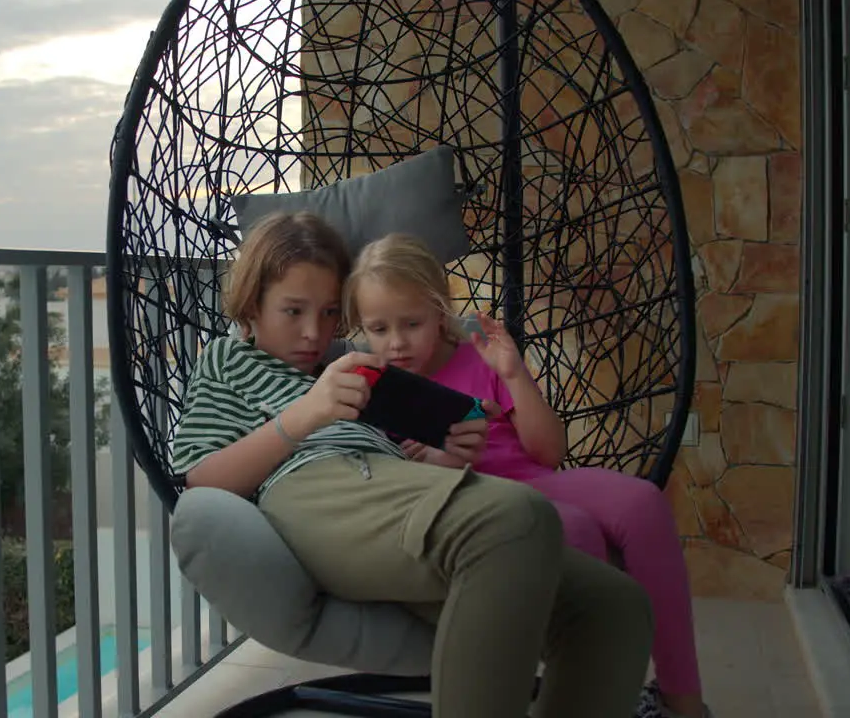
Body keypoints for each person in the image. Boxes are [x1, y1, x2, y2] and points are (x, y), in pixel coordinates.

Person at [171, 211, 653, 718]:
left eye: (331, 313)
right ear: (252, 303)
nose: (315, 332)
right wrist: (305, 416)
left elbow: (396, 480)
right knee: (517, 516)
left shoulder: (346, 377)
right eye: (293, 311)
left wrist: (448, 457)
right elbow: (201, 478)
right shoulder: (229, 360)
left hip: (389, 491)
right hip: (311, 488)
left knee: (615, 609)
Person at [344, 233, 711, 718]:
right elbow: (384, 484)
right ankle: (593, 692)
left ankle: (680, 702)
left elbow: (549, 453)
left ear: (440, 311)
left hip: (528, 476)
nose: (396, 342)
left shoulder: (479, 359)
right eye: (378, 328)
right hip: (470, 501)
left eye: (411, 323)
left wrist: (515, 374)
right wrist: (438, 463)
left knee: (642, 502)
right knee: (570, 526)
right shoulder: (372, 390)